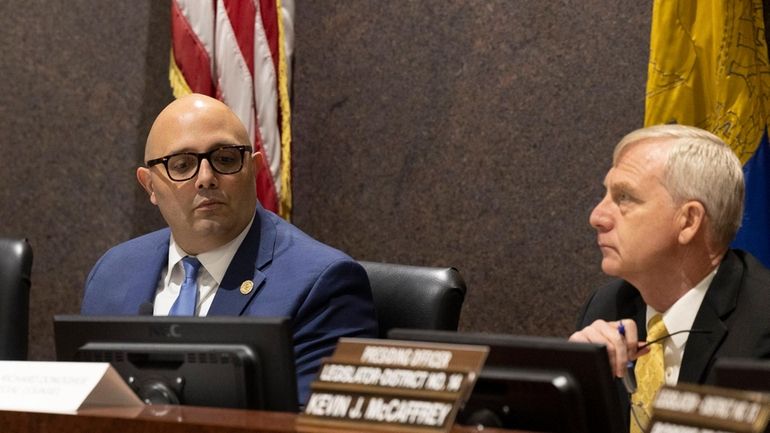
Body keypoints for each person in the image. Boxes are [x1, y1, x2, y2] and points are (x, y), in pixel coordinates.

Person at [81, 93, 378, 405]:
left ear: (254, 169)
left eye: (225, 159)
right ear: (150, 186)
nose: (206, 178)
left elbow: (316, 424)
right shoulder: (112, 273)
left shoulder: (322, 285)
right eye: (182, 165)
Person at [570, 124, 770, 431]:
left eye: (624, 197)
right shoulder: (607, 306)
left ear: (689, 220)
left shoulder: (762, 322)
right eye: (606, 194)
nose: (597, 217)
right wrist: (576, 377)